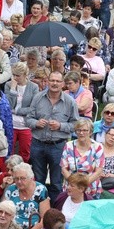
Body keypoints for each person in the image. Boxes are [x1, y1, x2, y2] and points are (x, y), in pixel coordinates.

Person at [25, 71, 78, 203]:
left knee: (56, 181)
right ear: (47, 81)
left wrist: (61, 126)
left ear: (63, 84)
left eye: (58, 81)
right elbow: (28, 119)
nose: (54, 83)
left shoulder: (70, 102)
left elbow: (76, 124)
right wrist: (36, 123)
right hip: (38, 143)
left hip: (58, 146)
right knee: (38, 179)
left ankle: (55, 208)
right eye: (52, 80)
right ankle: (38, 206)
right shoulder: (37, 98)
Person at [4, 62, 39, 163]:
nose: (15, 78)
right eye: (13, 75)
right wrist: (13, 89)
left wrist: (16, 111)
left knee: (25, 152)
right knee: (9, 152)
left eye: (18, 75)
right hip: (11, 124)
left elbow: (33, 108)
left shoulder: (33, 87)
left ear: (25, 75)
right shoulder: (8, 85)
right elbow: (8, 105)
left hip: (26, 125)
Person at [4, 162, 50, 229]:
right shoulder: (11, 189)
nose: (19, 181)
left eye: (22, 178)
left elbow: (45, 219)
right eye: (16, 178)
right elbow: (3, 211)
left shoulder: (41, 190)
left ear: (31, 178)